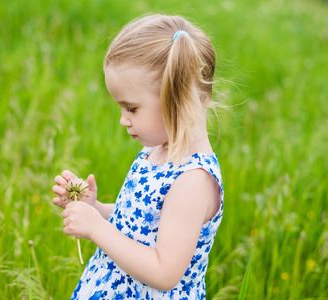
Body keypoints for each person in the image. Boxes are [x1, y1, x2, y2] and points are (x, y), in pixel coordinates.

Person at [52, 13, 224, 300]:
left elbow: (164, 273)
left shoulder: (193, 181)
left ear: (179, 100)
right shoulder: (155, 152)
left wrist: (96, 230)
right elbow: (138, 225)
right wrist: (95, 208)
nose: (123, 120)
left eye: (131, 109)